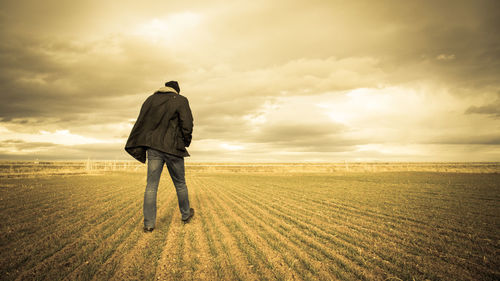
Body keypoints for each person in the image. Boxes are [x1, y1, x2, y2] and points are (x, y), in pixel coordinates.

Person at [125, 80, 194, 233]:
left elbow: (142, 123)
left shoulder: (150, 100)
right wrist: (185, 142)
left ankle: (149, 224)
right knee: (180, 184)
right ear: (176, 91)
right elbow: (187, 124)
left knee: (151, 186)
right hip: (173, 148)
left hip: (154, 149)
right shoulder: (181, 100)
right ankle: (185, 215)